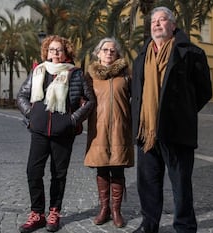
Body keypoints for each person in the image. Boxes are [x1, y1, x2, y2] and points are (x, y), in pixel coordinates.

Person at [130, 7, 212, 233]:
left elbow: (204, 91)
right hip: (146, 132)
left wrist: (181, 112)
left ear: (173, 25)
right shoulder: (141, 57)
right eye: (153, 21)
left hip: (176, 131)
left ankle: (185, 227)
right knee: (147, 183)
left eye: (162, 20)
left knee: (181, 185)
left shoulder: (191, 53)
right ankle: (149, 224)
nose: (156, 24)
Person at [16, 35, 95, 233]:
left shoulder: (76, 73)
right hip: (39, 131)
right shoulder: (38, 71)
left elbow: (90, 101)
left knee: (58, 175)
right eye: (52, 49)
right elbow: (22, 96)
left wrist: (73, 120)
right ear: (46, 52)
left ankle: (54, 212)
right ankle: (37, 213)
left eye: (59, 49)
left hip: (63, 133)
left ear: (66, 52)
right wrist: (31, 114)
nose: (55, 53)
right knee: (33, 171)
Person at [84, 38, 134, 228]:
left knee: (118, 168)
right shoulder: (90, 76)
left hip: (121, 128)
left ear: (117, 54)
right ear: (98, 52)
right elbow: (82, 99)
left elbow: (135, 99)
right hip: (98, 128)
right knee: (102, 167)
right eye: (105, 50)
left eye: (113, 50)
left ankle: (116, 210)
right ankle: (104, 209)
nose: (109, 53)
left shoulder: (126, 74)